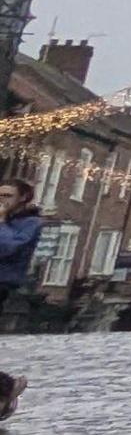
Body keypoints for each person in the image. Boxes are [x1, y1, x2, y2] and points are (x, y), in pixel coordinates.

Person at [0, 180, 41, 421]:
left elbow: (6, 248)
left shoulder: (30, 224)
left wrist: (1, 221)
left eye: (7, 195)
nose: (2, 200)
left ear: (23, 198)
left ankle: (7, 386)